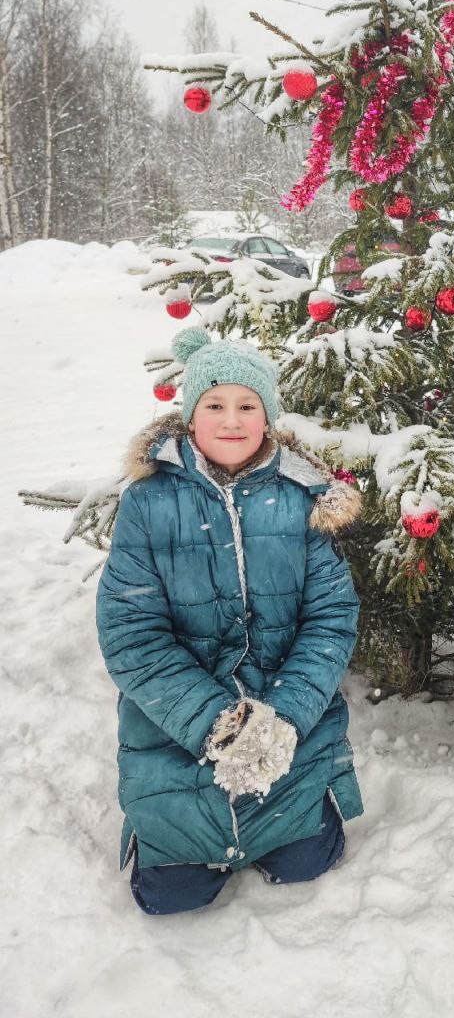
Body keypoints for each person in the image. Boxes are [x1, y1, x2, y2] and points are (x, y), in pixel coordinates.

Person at [96, 325, 363, 912]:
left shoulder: (301, 497)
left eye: (248, 405)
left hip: (283, 714)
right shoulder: (147, 502)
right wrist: (221, 722)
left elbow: (332, 616)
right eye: (214, 404)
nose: (232, 420)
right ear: (190, 416)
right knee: (171, 897)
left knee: (306, 864)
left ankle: (296, 811)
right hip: (180, 723)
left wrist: (285, 717)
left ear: (267, 417)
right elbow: (131, 635)